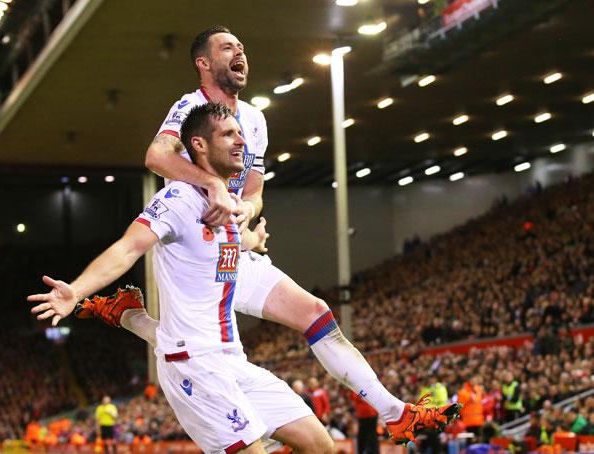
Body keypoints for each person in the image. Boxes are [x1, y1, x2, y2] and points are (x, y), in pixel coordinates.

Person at [77, 25, 461, 445]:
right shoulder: (191, 108)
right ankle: (130, 316)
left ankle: (396, 413)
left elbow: (256, 193)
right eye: (227, 47)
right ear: (203, 64)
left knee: (314, 311)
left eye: (242, 46)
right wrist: (213, 185)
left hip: (233, 249)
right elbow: (156, 156)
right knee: (192, 336)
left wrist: (245, 213)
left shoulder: (255, 121)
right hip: (195, 247)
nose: (240, 52)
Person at [29, 103, 334, 454]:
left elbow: (232, 238)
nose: (241, 141)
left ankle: (131, 317)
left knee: (320, 445)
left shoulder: (228, 202)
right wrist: (76, 291)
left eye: (240, 133)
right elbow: (129, 247)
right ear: (199, 145)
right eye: (228, 134)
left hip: (232, 358)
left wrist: (255, 239)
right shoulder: (178, 199)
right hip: (195, 366)